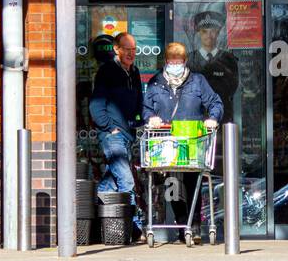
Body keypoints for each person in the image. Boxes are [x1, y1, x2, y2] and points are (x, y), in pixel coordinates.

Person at [144, 41, 223, 241]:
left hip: (192, 141)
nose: (175, 65)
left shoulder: (197, 81)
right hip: (166, 143)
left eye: (178, 61)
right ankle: (182, 227)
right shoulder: (155, 83)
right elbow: (146, 108)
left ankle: (194, 226)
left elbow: (215, 102)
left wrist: (213, 118)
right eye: (172, 61)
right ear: (166, 61)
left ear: (185, 61)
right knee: (173, 185)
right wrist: (150, 117)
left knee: (192, 182)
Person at [88, 32, 142, 198]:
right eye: (126, 49)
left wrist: (139, 121)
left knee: (110, 183)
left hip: (128, 135)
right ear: (116, 49)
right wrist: (110, 128)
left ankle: (96, 218)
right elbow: (96, 105)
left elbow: (139, 101)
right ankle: (130, 223)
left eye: (133, 49)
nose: (131, 53)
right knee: (127, 181)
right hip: (113, 136)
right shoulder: (107, 71)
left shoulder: (134, 72)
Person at [189, 9, 239, 124]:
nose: (209, 35)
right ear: (199, 33)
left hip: (222, 116)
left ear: (218, 33)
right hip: (196, 116)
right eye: (204, 31)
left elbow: (232, 88)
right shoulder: (190, 59)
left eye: (213, 31)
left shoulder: (228, 59)